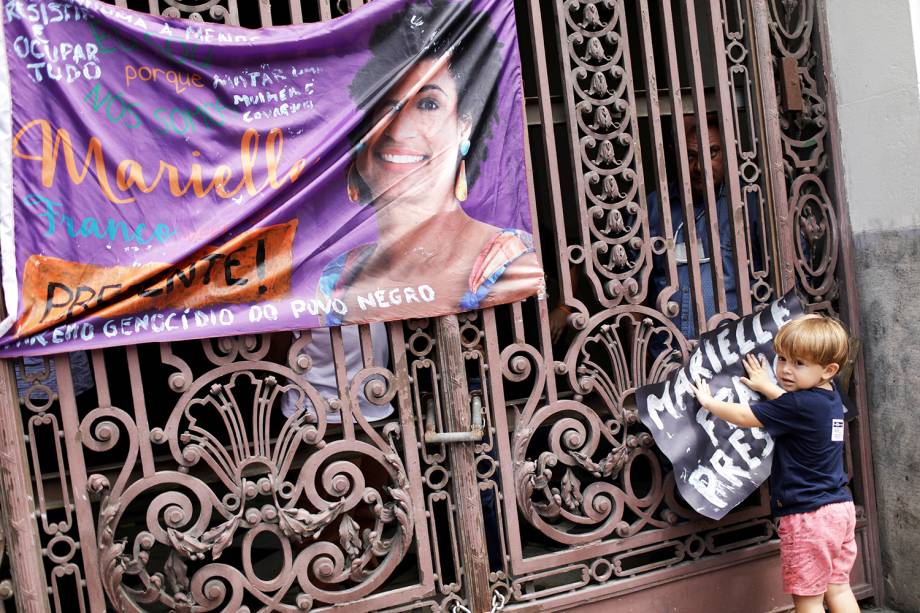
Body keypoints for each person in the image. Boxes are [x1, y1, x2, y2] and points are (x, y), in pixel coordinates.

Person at [319, 0, 542, 325]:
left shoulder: (507, 264)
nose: (399, 129)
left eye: (428, 104)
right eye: (386, 106)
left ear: (464, 125)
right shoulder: (339, 275)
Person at [691, 314, 858, 613]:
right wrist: (768, 386)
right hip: (840, 510)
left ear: (828, 370)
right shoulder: (828, 398)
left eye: (799, 363)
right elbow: (791, 407)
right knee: (839, 588)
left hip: (808, 517)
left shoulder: (797, 404)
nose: (785, 369)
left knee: (808, 600)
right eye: (782, 358)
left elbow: (745, 417)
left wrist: (709, 402)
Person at [647, 113, 760, 340]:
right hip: (668, 352)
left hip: (732, 350)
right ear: (674, 155)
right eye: (690, 156)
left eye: (713, 153)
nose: (700, 167)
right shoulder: (654, 207)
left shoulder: (747, 204)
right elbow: (635, 288)